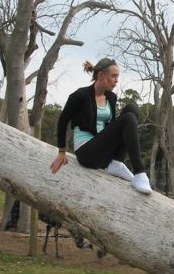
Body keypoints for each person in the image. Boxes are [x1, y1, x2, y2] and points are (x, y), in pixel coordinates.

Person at [50, 58, 152, 194]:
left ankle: (116, 163)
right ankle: (139, 172)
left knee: (132, 109)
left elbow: (112, 128)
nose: (116, 80)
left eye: (117, 77)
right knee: (128, 118)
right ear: (101, 75)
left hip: (103, 153)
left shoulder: (111, 97)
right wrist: (61, 152)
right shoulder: (80, 95)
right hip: (86, 153)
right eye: (113, 76)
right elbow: (62, 121)